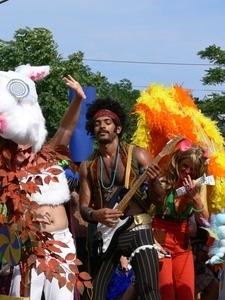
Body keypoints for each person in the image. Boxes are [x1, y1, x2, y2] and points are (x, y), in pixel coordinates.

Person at [8, 74, 86, 300]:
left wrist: (78, 99)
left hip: (60, 244)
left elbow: (66, 128)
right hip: (27, 246)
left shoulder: (49, 155)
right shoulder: (8, 171)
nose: (22, 144)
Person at [79, 98, 165, 300]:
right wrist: (95, 214)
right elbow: (83, 207)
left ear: (118, 129)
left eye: (108, 122)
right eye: (98, 123)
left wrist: (153, 182)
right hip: (105, 234)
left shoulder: (139, 155)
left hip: (137, 228)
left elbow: (159, 201)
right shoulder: (87, 165)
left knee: (149, 289)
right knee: (95, 293)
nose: (102, 126)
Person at [151, 142, 210, 300]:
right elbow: (146, 212)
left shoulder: (198, 187)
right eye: (185, 166)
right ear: (178, 162)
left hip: (182, 244)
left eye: (192, 169)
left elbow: (205, 221)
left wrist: (195, 198)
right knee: (166, 294)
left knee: (186, 295)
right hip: (160, 240)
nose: (187, 171)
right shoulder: (163, 181)